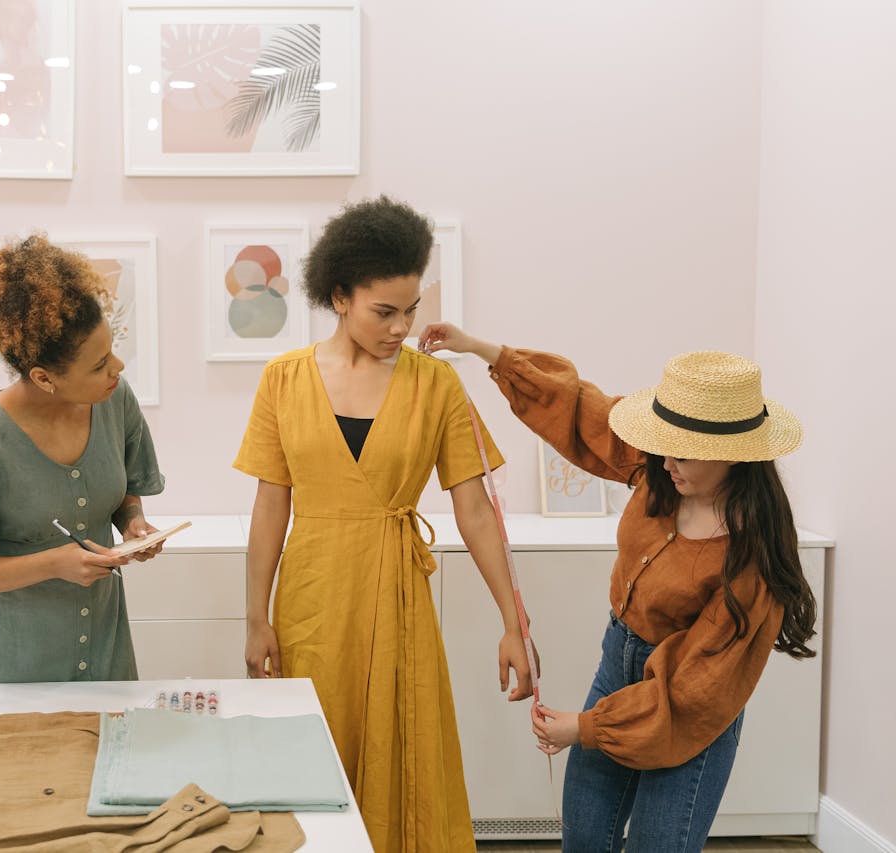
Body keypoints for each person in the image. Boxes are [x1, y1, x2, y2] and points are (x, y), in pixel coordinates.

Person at [417, 326, 817, 853]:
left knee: (658, 844)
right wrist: (482, 350)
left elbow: (695, 688)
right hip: (618, 665)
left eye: (685, 454)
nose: (666, 461)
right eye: (663, 447)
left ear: (735, 454)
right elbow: (581, 410)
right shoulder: (661, 470)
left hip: (689, 702)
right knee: (584, 835)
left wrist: (585, 728)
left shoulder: (751, 560)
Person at [234, 197, 535, 853]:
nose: (401, 327)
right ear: (340, 297)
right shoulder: (282, 380)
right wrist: (256, 616)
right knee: (313, 753)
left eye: (411, 310)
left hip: (397, 599)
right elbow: (269, 505)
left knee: (406, 751)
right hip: (311, 597)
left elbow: (475, 509)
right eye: (384, 311)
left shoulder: (437, 386)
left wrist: (514, 620)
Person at [0, 234, 166, 683]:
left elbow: (127, 486)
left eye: (113, 350)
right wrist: (53, 563)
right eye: (100, 364)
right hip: (17, 669)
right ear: (44, 377)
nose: (119, 369)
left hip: (108, 657)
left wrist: (133, 524)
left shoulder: (115, 400)